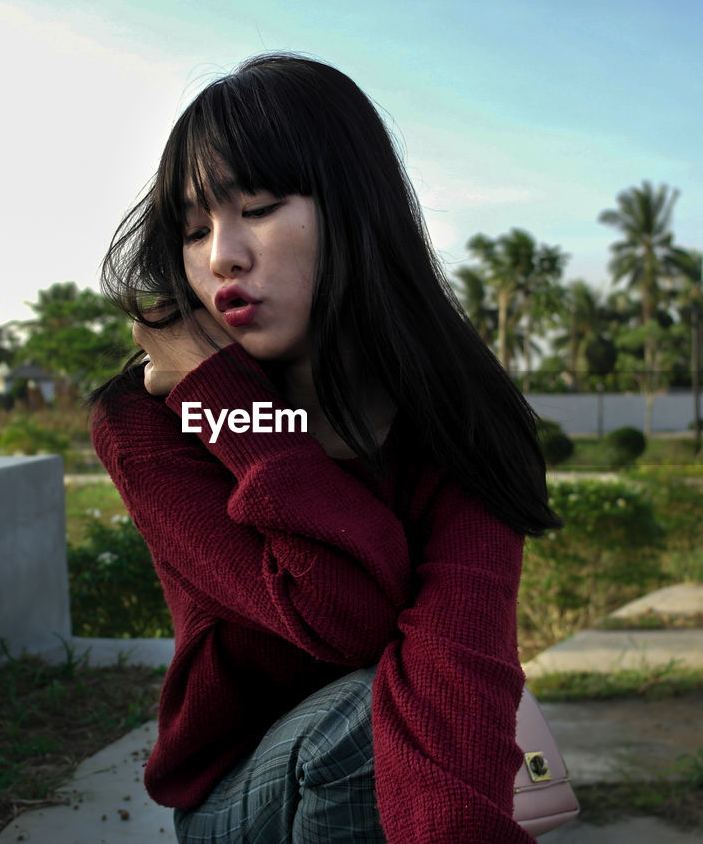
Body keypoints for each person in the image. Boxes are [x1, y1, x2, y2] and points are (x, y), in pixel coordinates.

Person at [89, 52, 561, 843]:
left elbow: (457, 654)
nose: (220, 257)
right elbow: (338, 610)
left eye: (261, 206)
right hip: (236, 793)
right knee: (366, 725)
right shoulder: (150, 422)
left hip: (380, 744)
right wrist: (229, 402)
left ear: (355, 208)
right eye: (195, 228)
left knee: (425, 712)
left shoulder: (457, 415)